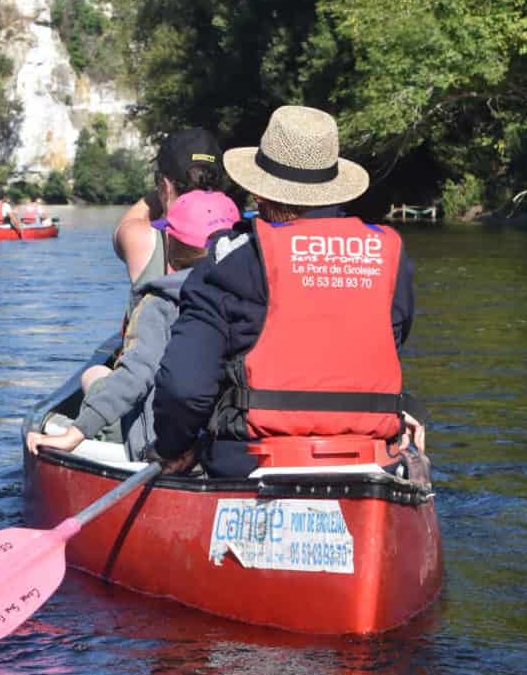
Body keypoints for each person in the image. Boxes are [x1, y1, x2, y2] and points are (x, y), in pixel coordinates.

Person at [151, 105, 418, 478]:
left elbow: (184, 389)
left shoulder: (229, 262)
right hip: (373, 464)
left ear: (260, 192)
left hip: (250, 463)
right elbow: (386, 344)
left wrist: (171, 448)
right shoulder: (390, 255)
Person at [26, 190, 240, 460]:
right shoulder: (254, 293)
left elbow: (135, 376)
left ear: (170, 242)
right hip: (229, 437)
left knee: (93, 376)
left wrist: (73, 435)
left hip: (159, 441)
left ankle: (94, 432)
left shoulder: (160, 303)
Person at [112, 126, 222, 287]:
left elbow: (122, 229)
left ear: (163, 184)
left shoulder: (141, 238)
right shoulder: (245, 238)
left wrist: (163, 191)